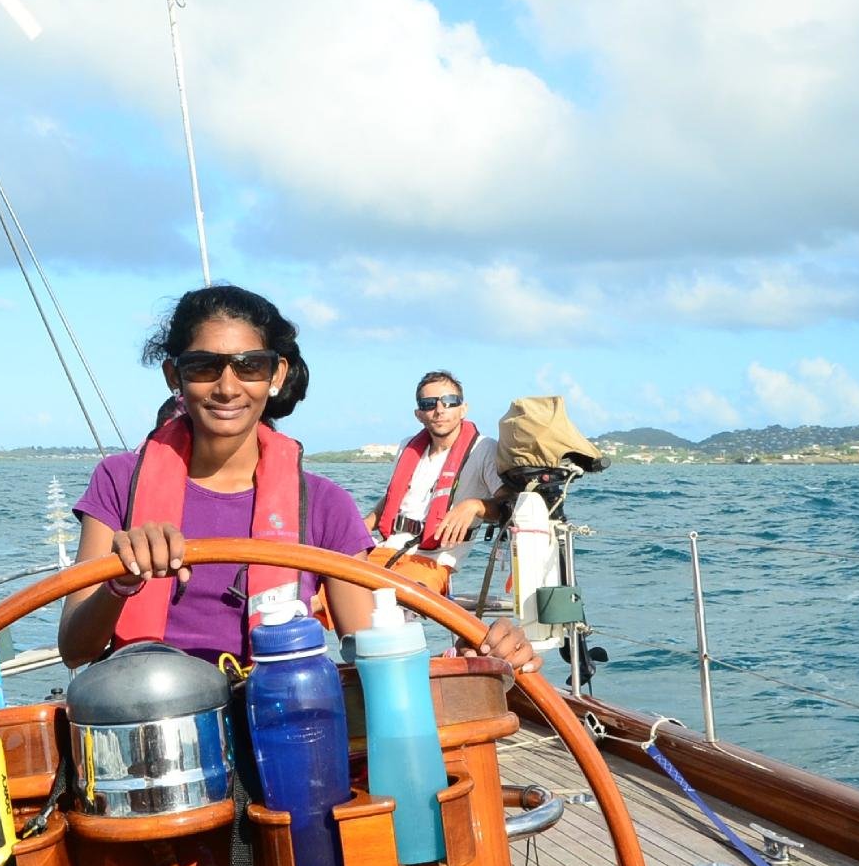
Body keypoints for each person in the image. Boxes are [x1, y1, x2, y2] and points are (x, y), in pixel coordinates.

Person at [58, 286, 536, 671]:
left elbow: (376, 651)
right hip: (147, 727)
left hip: (280, 730)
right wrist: (121, 583)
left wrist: (482, 657)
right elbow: (75, 649)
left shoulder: (324, 506)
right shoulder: (119, 481)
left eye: (250, 366)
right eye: (204, 366)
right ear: (174, 376)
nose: (227, 386)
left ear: (276, 375)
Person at [367, 371, 505, 595]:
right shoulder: (407, 447)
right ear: (419, 414)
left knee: (392, 600)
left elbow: (506, 504)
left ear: (463, 408)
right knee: (326, 590)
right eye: (429, 404)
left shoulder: (484, 449)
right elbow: (393, 499)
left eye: (449, 402)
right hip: (387, 548)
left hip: (434, 560)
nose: (440, 410)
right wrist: (358, 527)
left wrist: (475, 506)